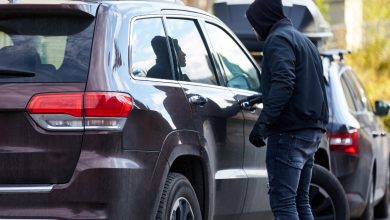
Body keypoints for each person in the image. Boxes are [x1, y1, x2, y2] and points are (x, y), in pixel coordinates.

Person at [246, 0, 329, 219]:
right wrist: (264, 96)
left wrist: (262, 125)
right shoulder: (305, 42)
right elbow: (310, 85)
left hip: (288, 133)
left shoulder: (277, 40)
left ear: (263, 19)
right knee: (301, 202)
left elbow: (284, 83)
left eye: (253, 23)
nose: (253, 30)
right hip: (311, 131)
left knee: (283, 203)